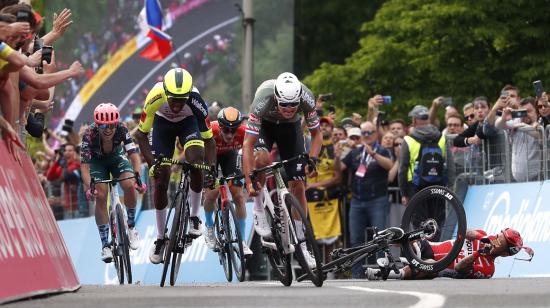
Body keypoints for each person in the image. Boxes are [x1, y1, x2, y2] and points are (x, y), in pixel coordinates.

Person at [133, 68, 216, 264]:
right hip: (163, 126)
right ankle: (161, 238)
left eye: (182, 100)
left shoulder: (196, 101)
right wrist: (153, 164)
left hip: (189, 124)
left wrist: (211, 168)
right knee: (161, 179)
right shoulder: (155, 96)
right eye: (173, 100)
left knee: (196, 162)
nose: (177, 105)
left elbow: (210, 141)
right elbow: (140, 134)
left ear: (188, 95)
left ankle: (195, 216)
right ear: (166, 94)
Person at [242, 72, 321, 268]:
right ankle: (259, 207)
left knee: (298, 185)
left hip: (290, 129)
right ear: (276, 97)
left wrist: (312, 160)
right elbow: (247, 145)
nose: (289, 108)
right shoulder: (262, 100)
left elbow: (317, 134)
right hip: (265, 126)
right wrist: (249, 180)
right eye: (284, 104)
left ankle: (302, 245)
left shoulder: (307, 98)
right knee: (261, 158)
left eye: (293, 105)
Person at [80, 103, 147, 262]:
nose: (108, 129)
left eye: (111, 125)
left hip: (117, 158)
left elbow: (134, 156)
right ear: (97, 125)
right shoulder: (89, 134)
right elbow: (84, 167)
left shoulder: (123, 129)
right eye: (103, 125)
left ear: (116, 123)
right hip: (98, 163)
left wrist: (137, 178)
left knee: (129, 185)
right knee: (101, 195)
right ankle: (105, 245)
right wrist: (90, 187)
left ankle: (131, 227)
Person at [367, 228, 534, 280]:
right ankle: (375, 243)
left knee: (429, 264)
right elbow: (465, 232)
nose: (496, 238)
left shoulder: (488, 269)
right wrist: (483, 239)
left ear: (504, 254)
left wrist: (478, 253)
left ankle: (389, 273)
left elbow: (461, 268)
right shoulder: (483, 235)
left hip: (436, 266)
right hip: (430, 246)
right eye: (498, 235)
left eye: (500, 240)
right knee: (409, 236)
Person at [339, 121, 392, 278]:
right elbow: (340, 168)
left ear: (376, 134)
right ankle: (357, 275)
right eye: (364, 133)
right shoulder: (355, 152)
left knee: (380, 239)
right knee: (356, 239)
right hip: (357, 201)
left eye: (370, 133)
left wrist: (373, 154)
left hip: (377, 200)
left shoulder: (382, 150)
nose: (367, 136)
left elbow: (389, 165)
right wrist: (336, 155)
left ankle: (382, 272)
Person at [202, 106, 252, 256]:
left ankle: (242, 241)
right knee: (212, 194)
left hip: (230, 156)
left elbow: (250, 153)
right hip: (210, 156)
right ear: (220, 127)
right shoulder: (210, 129)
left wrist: (249, 176)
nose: (230, 135)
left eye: (234, 130)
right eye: (226, 131)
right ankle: (209, 226)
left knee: (238, 195)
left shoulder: (244, 132)